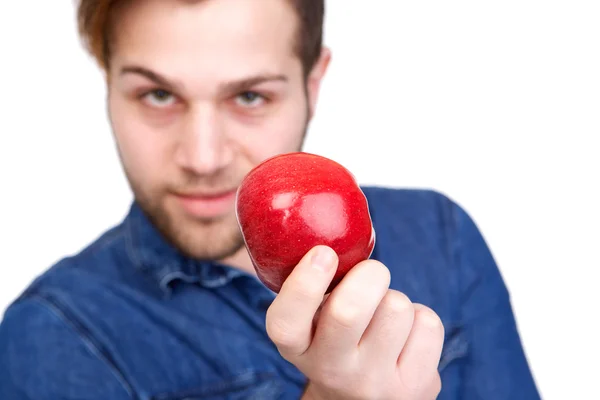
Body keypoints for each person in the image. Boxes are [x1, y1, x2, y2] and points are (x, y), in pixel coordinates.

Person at [0, 0, 541, 399]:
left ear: (312, 83)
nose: (203, 156)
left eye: (251, 95)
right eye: (158, 94)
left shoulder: (441, 235)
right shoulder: (51, 335)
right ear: (109, 85)